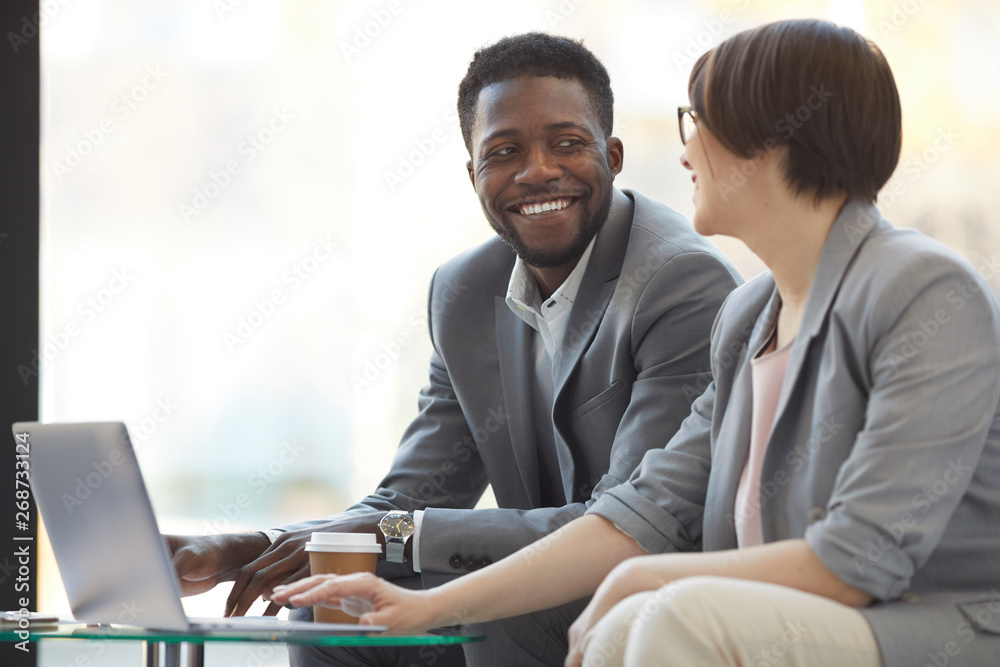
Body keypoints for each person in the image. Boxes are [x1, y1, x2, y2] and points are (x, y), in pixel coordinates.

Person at [271, 19, 1000, 667]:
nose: (684, 149)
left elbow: (859, 556)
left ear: (771, 141)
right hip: (755, 618)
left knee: (669, 613)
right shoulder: (751, 316)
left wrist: (645, 577)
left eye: (699, 119)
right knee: (630, 618)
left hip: (924, 624)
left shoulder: (922, 289)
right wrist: (423, 603)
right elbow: (641, 513)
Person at [169, 32, 741, 666]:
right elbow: (411, 499)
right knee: (331, 611)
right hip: (532, 598)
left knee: (488, 608)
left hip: (649, 597)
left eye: (567, 143)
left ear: (612, 155)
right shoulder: (464, 291)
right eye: (505, 151)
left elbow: (628, 524)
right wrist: (245, 547)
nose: (538, 169)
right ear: (474, 174)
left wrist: (391, 536)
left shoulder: (681, 280)